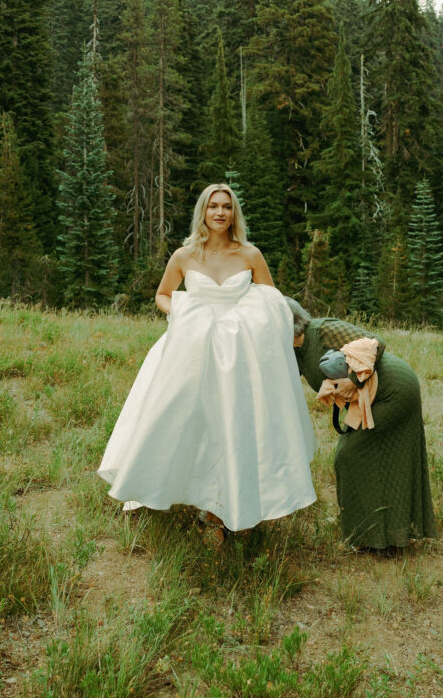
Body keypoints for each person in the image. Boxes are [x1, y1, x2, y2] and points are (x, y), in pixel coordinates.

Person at [98, 184, 316, 541]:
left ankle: (221, 507)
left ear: (234, 214)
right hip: (191, 346)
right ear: (202, 212)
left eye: (226, 207)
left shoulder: (249, 254)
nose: (219, 213)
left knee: (232, 422)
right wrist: (184, 313)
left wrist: (247, 325)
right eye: (213, 206)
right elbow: (163, 295)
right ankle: (161, 484)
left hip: (237, 352)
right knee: (176, 415)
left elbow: (271, 301)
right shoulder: (184, 256)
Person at [285, 298, 437, 551]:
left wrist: (353, 381)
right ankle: (376, 531)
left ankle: (369, 534)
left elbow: (376, 343)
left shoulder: (323, 330)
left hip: (394, 389)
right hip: (367, 400)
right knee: (375, 457)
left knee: (350, 454)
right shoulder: (294, 352)